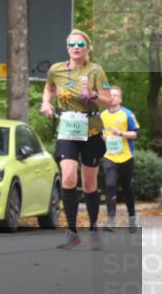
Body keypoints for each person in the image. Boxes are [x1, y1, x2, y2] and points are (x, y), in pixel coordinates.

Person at [41, 29, 112, 250]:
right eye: (72, 44)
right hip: (68, 131)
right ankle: (71, 232)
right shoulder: (56, 69)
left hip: (90, 131)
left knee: (90, 185)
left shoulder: (96, 71)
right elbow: (49, 88)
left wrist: (92, 94)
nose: (76, 47)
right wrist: (46, 103)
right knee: (69, 177)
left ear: (88, 48)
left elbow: (108, 101)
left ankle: (93, 229)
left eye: (81, 43)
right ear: (67, 47)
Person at [100, 86, 140, 233]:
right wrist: (103, 138)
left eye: (116, 95)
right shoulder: (103, 115)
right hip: (109, 156)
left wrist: (121, 133)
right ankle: (111, 221)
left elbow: (137, 134)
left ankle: (132, 219)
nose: (113, 98)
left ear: (120, 99)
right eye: (110, 95)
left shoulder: (127, 114)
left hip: (126, 157)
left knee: (127, 188)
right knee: (110, 185)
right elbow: (100, 133)